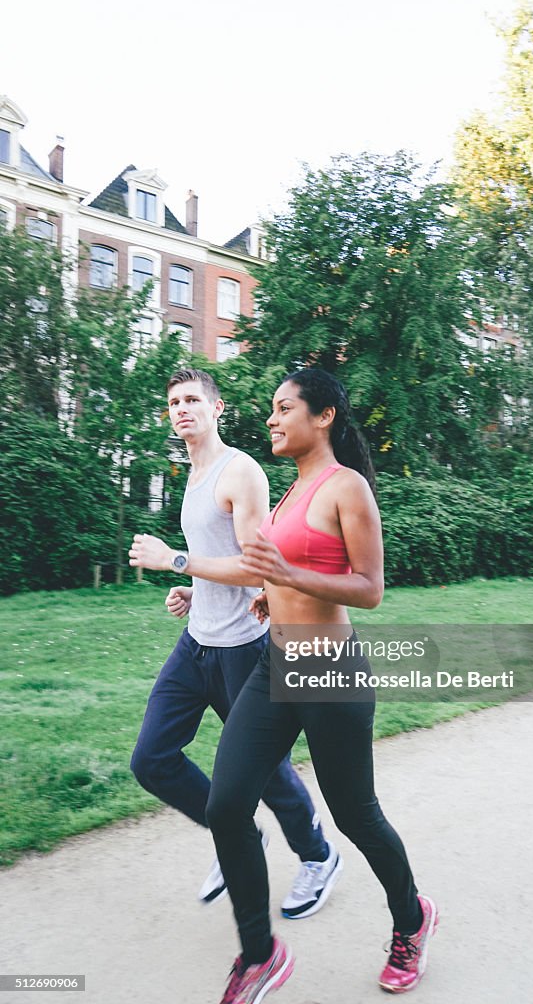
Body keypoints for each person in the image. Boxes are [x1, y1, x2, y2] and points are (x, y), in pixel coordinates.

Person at [205, 367, 437, 1003]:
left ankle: (411, 920)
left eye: (283, 409)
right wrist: (270, 595)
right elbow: (292, 571)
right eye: (271, 411)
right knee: (225, 802)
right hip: (274, 665)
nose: (272, 420)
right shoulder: (290, 492)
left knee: (356, 816)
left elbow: (370, 589)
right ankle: (260, 954)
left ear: (324, 415)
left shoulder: (346, 487)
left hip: (330, 671)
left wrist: (290, 577)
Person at [127, 368, 342, 918]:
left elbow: (257, 570)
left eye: (193, 399)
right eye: (174, 402)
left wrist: (173, 560)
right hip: (196, 643)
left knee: (267, 771)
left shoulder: (239, 471)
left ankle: (317, 855)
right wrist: (193, 590)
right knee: (151, 759)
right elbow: (216, 563)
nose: (182, 408)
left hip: (243, 648)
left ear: (217, 409)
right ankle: (236, 834)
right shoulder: (193, 475)